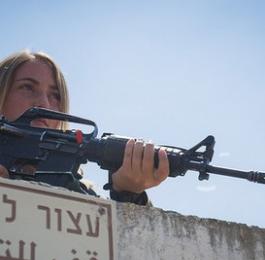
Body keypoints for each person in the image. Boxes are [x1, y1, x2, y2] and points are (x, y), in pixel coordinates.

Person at [0, 50, 169, 205]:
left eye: (55, 96)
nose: (44, 104)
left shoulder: (81, 193)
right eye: (27, 87)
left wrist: (128, 194)